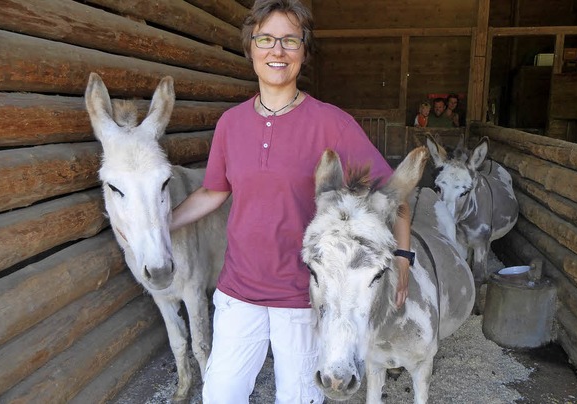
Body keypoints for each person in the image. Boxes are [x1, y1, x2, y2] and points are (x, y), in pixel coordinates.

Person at [170, 0, 413, 402]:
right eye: (265, 39)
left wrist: (402, 257)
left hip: (304, 297)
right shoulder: (231, 124)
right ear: (251, 48)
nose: (277, 51)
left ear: (304, 51)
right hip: (238, 290)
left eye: (290, 41)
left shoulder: (332, 123)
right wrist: (162, 226)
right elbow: (213, 191)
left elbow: (394, 195)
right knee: (220, 394)